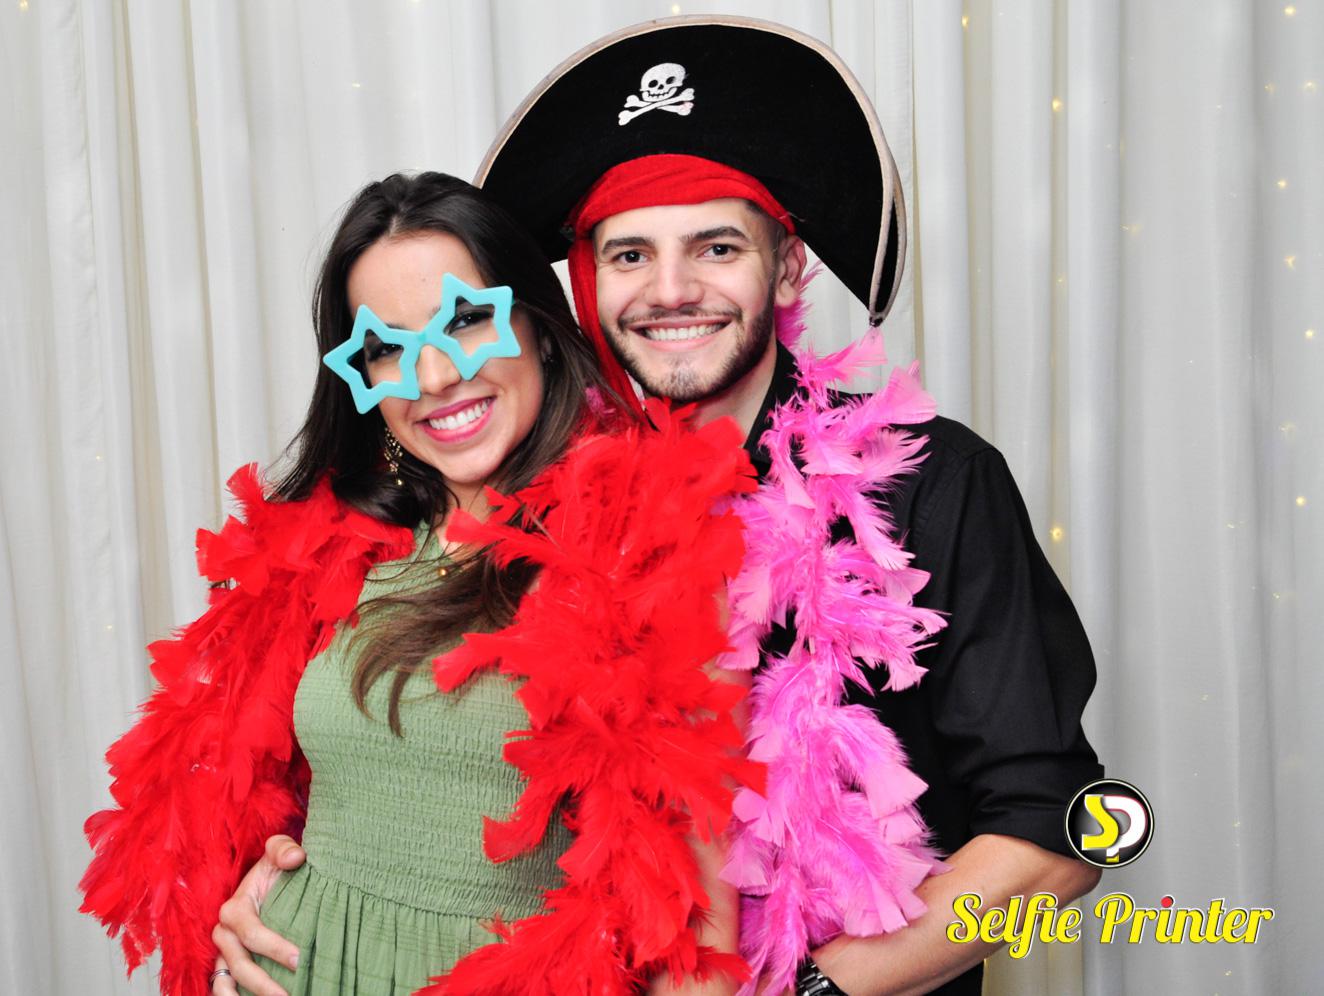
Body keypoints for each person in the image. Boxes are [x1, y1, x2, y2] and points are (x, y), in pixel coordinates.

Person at [214, 17, 1105, 996]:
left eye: (716, 246)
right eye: (631, 255)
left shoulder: (933, 480)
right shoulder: (534, 497)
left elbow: (1057, 834)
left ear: (788, 264)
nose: (672, 291)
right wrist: (290, 885)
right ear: (583, 285)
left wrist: (807, 992)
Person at [80, 171, 760, 996]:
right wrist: (240, 910)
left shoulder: (648, 550)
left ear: (538, 328)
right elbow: (268, 794)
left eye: (465, 320)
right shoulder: (336, 546)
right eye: (388, 347)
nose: (433, 376)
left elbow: (696, 950)